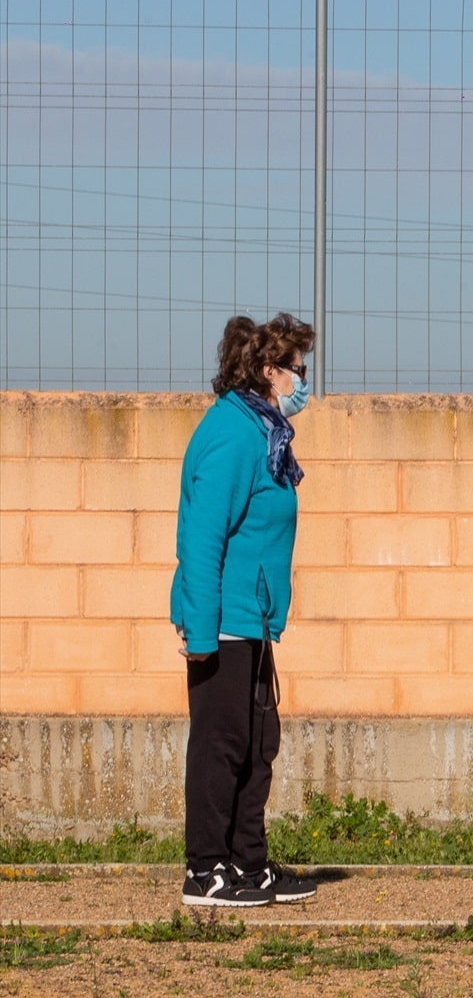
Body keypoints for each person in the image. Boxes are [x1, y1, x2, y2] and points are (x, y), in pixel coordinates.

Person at [170, 314, 319, 908]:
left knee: (258, 743)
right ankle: (205, 870)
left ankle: (247, 863)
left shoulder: (262, 433)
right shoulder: (233, 435)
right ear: (267, 372)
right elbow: (203, 539)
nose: (303, 381)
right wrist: (202, 631)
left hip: (251, 620)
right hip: (225, 622)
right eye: (297, 370)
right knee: (222, 744)